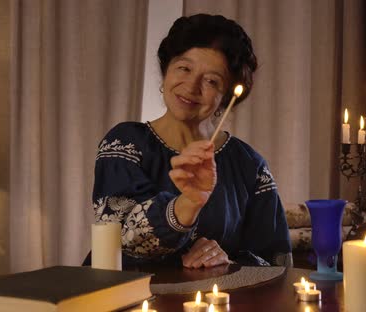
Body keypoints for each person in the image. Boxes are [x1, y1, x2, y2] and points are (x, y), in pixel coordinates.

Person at [88, 14, 291, 268]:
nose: (192, 86)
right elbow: (120, 238)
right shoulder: (124, 144)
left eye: (211, 81)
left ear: (227, 96)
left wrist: (226, 262)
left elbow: (277, 262)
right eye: (184, 68)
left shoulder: (250, 165)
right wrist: (188, 202)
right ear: (166, 71)